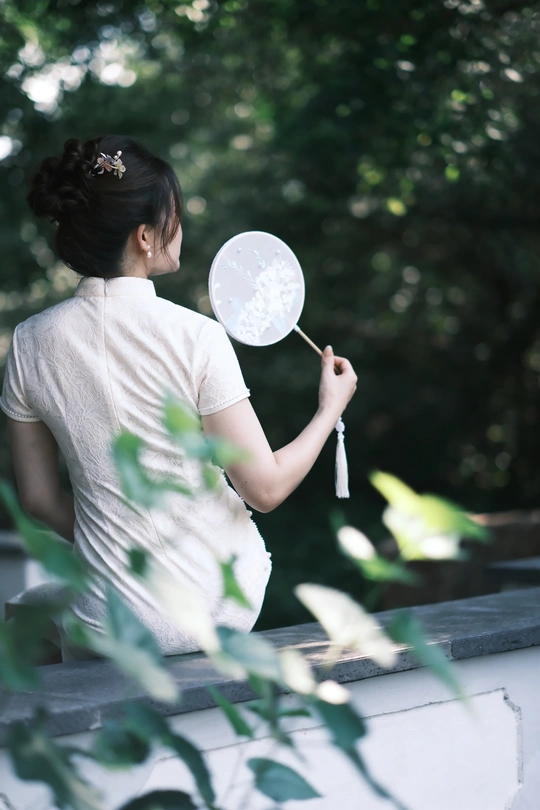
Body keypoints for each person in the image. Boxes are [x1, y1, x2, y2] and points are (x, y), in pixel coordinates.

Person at [0, 134, 357, 662]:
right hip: (215, 605)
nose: (180, 228)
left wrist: (118, 549)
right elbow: (265, 488)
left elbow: (37, 499)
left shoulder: (30, 342)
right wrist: (331, 408)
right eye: (176, 215)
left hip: (109, 619)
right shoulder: (196, 336)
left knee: (26, 611)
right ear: (145, 236)